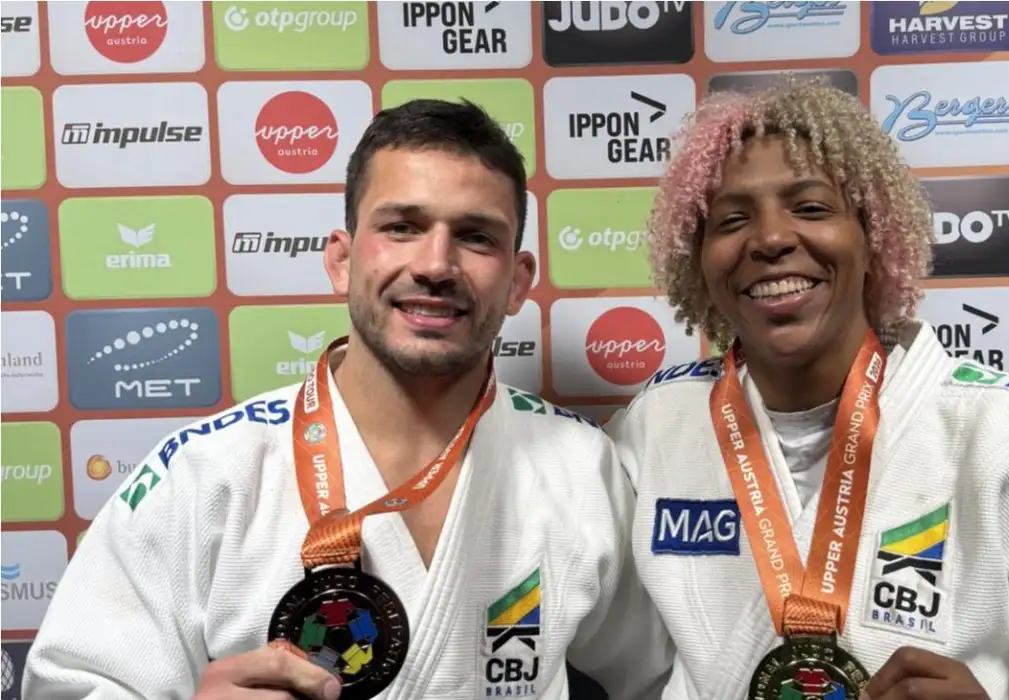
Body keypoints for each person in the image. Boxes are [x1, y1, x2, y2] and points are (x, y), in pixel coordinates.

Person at [24, 99, 673, 700]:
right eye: (402, 226)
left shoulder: (581, 468)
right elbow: (70, 685)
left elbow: (666, 678)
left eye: (476, 236)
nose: (436, 264)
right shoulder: (209, 473)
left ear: (517, 281)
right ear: (341, 259)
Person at [604, 77, 1009, 700]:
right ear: (698, 260)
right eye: (731, 220)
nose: (769, 238)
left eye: (810, 208)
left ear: (874, 237)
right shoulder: (656, 426)